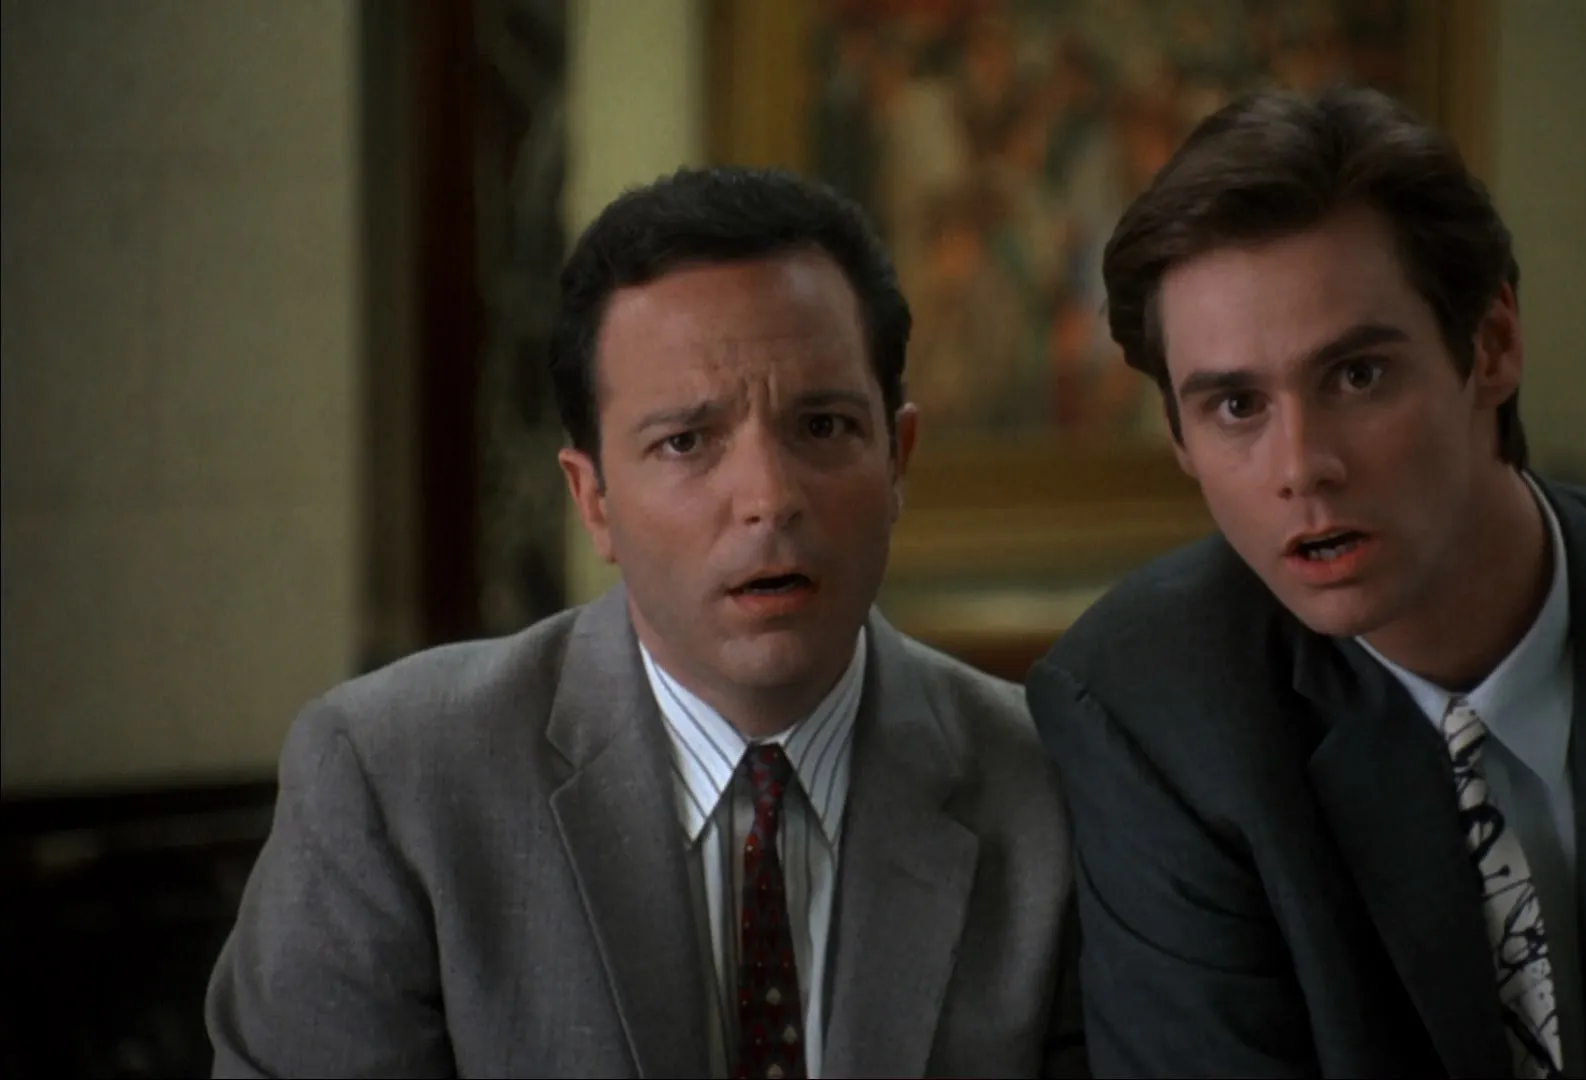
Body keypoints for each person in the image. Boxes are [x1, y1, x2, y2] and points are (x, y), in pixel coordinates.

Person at [1026, 86, 1586, 1078]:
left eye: (1358, 375)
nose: (1302, 466)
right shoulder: (1154, 709)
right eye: (1236, 406)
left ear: (1491, 346)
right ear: (1179, 438)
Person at [208, 166, 1084, 1078]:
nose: (769, 497)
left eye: (823, 427)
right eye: (686, 442)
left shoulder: (1046, 789)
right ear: (593, 500)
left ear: (898, 461)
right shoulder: (394, 782)